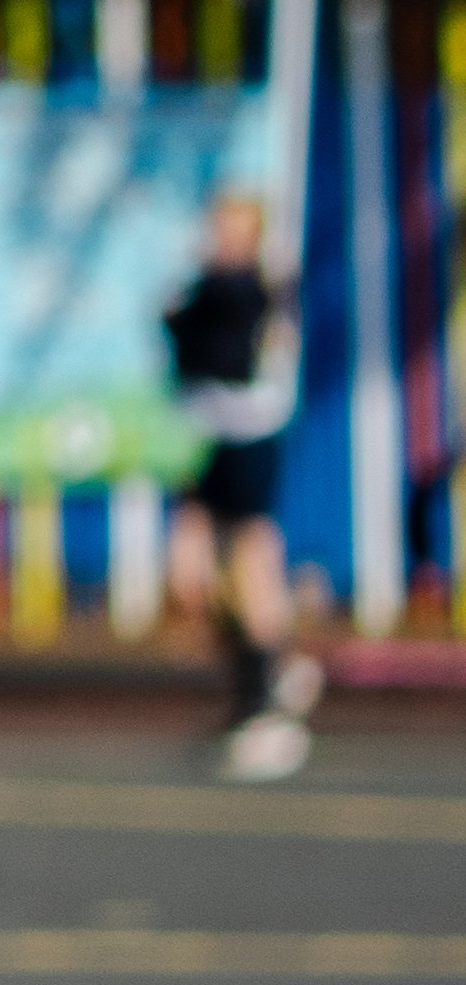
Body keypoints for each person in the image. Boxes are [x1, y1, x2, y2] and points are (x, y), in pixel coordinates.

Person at [168, 188, 320, 780]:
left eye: (233, 228)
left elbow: (227, 342)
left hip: (249, 435)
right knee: (193, 577)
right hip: (202, 437)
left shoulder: (251, 288)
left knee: (253, 563)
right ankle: (264, 674)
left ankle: (267, 709)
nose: (219, 237)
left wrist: (184, 308)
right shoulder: (206, 285)